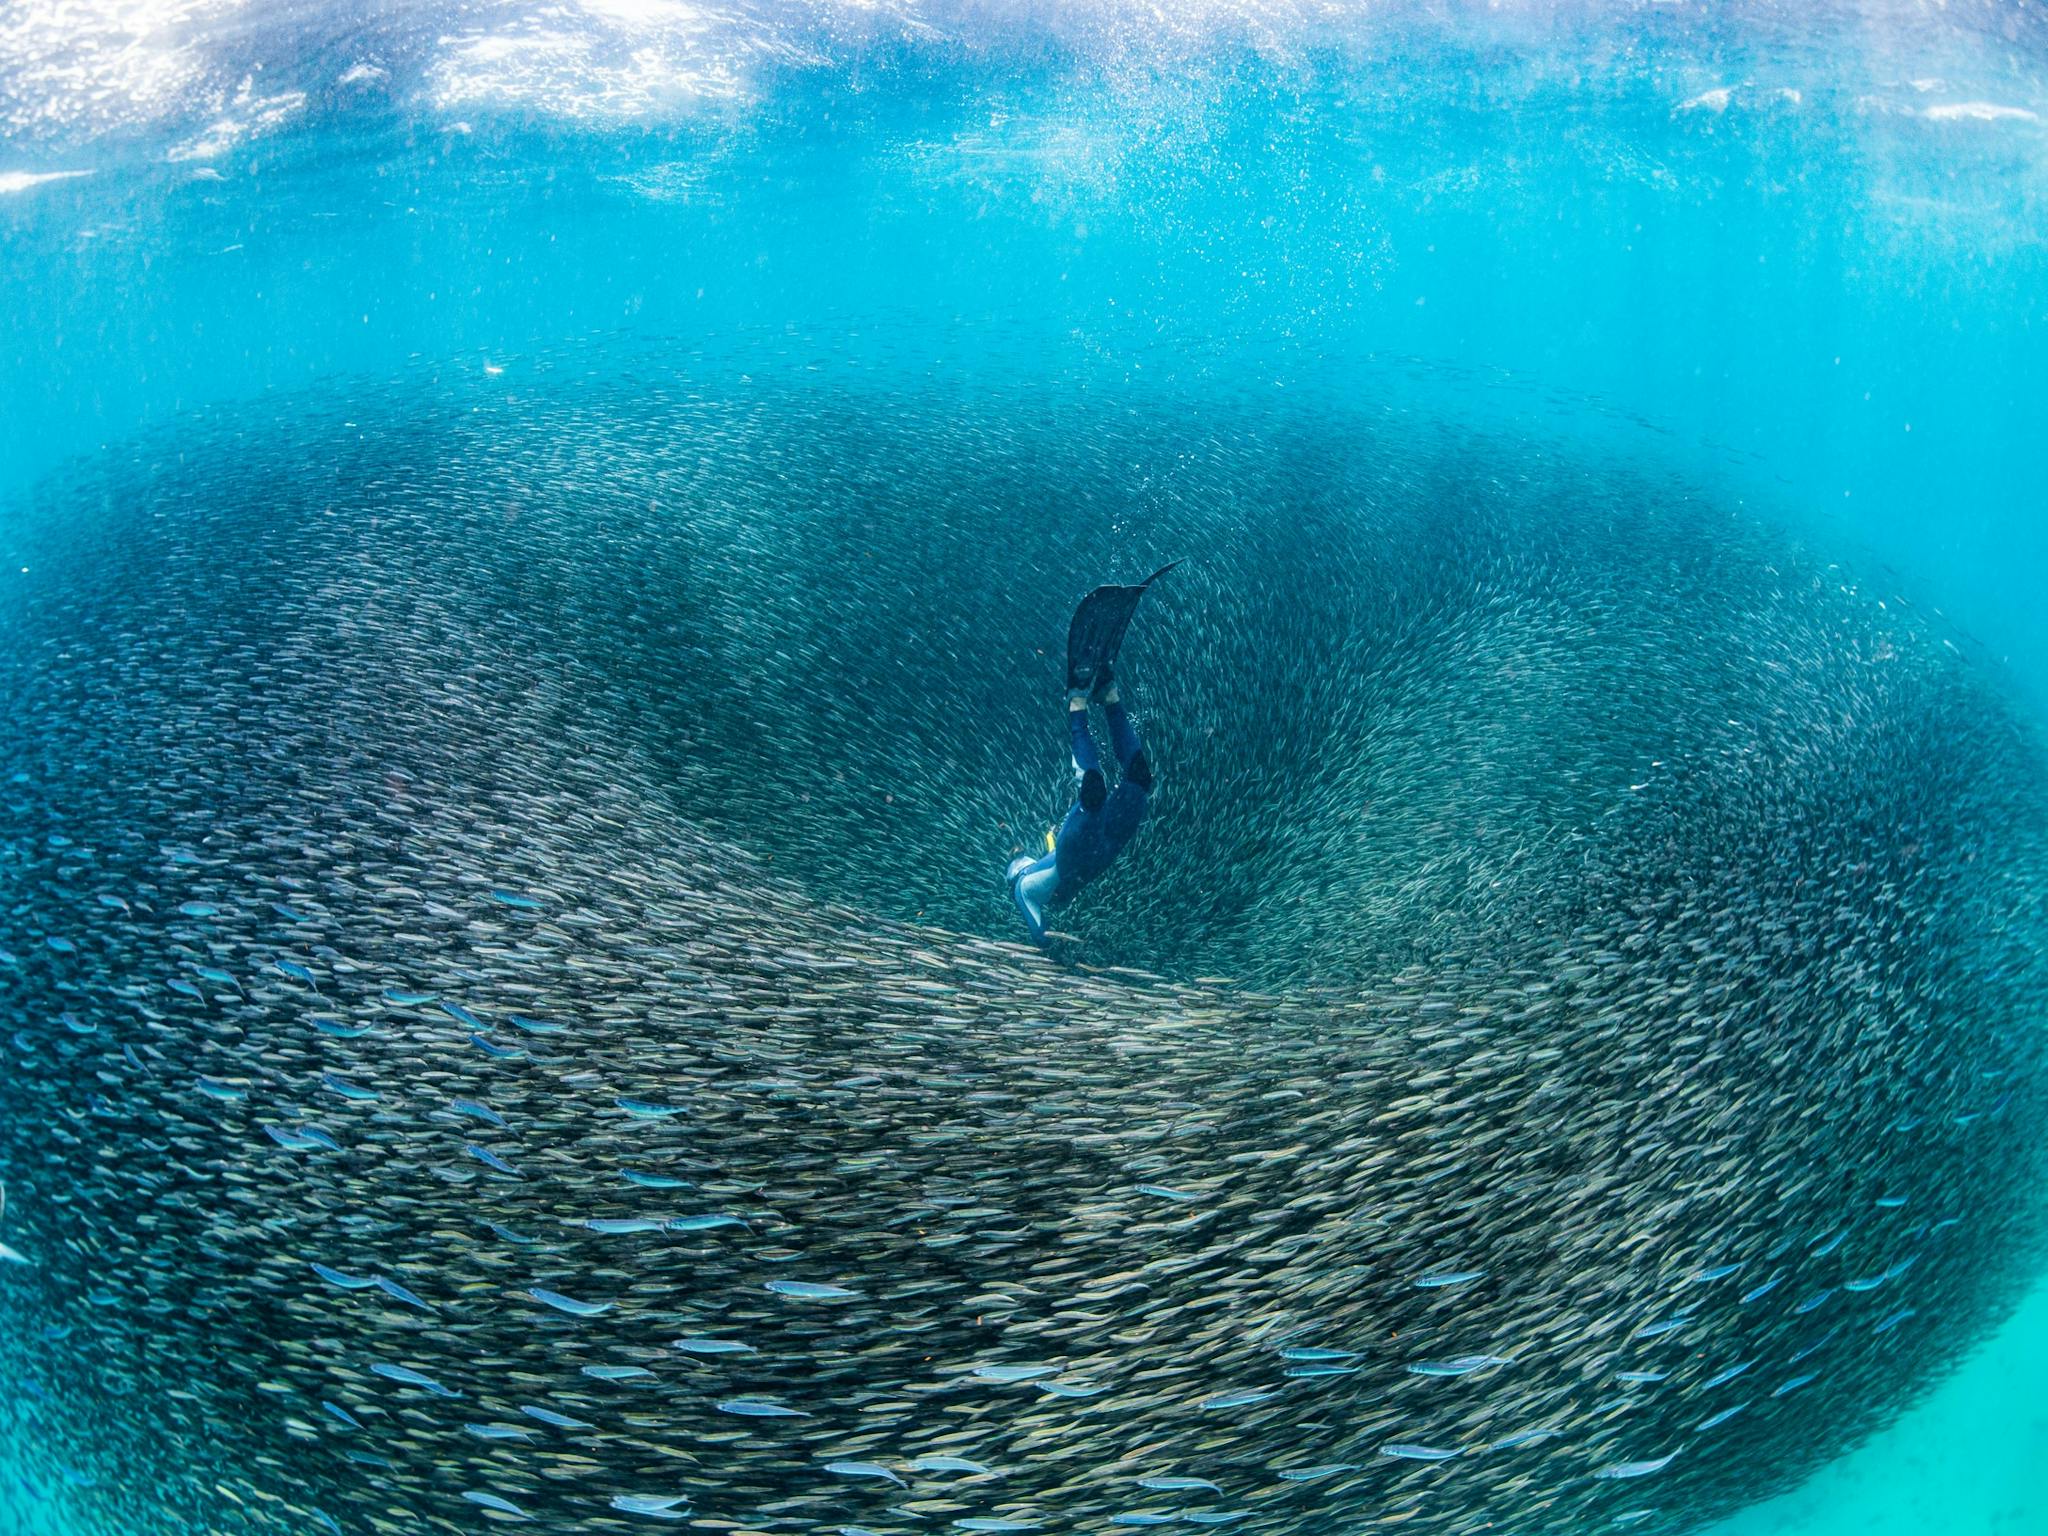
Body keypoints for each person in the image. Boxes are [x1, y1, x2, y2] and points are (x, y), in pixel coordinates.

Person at [1006, 668, 1154, 942]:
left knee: (1103, 789)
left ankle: (1101, 698)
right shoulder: (1021, 891)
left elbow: (1041, 931)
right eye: (1017, 858)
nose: (1020, 856)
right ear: (1013, 874)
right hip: (1097, 851)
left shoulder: (1034, 880)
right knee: (1137, 779)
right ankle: (1086, 700)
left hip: (1086, 852)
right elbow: (1040, 935)